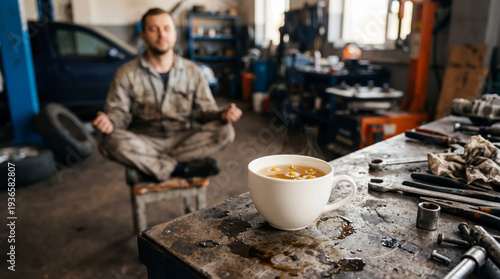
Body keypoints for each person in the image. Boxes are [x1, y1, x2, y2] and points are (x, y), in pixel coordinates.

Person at [92, 8, 242, 183]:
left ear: (175, 34)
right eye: (153, 29)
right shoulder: (126, 73)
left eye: (166, 28)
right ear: (143, 36)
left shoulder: (192, 71)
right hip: (144, 140)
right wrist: (110, 122)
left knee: (225, 132)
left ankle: (149, 167)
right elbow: (119, 112)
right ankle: (181, 167)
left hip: (182, 138)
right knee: (110, 141)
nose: (161, 34)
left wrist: (221, 114)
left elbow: (204, 111)